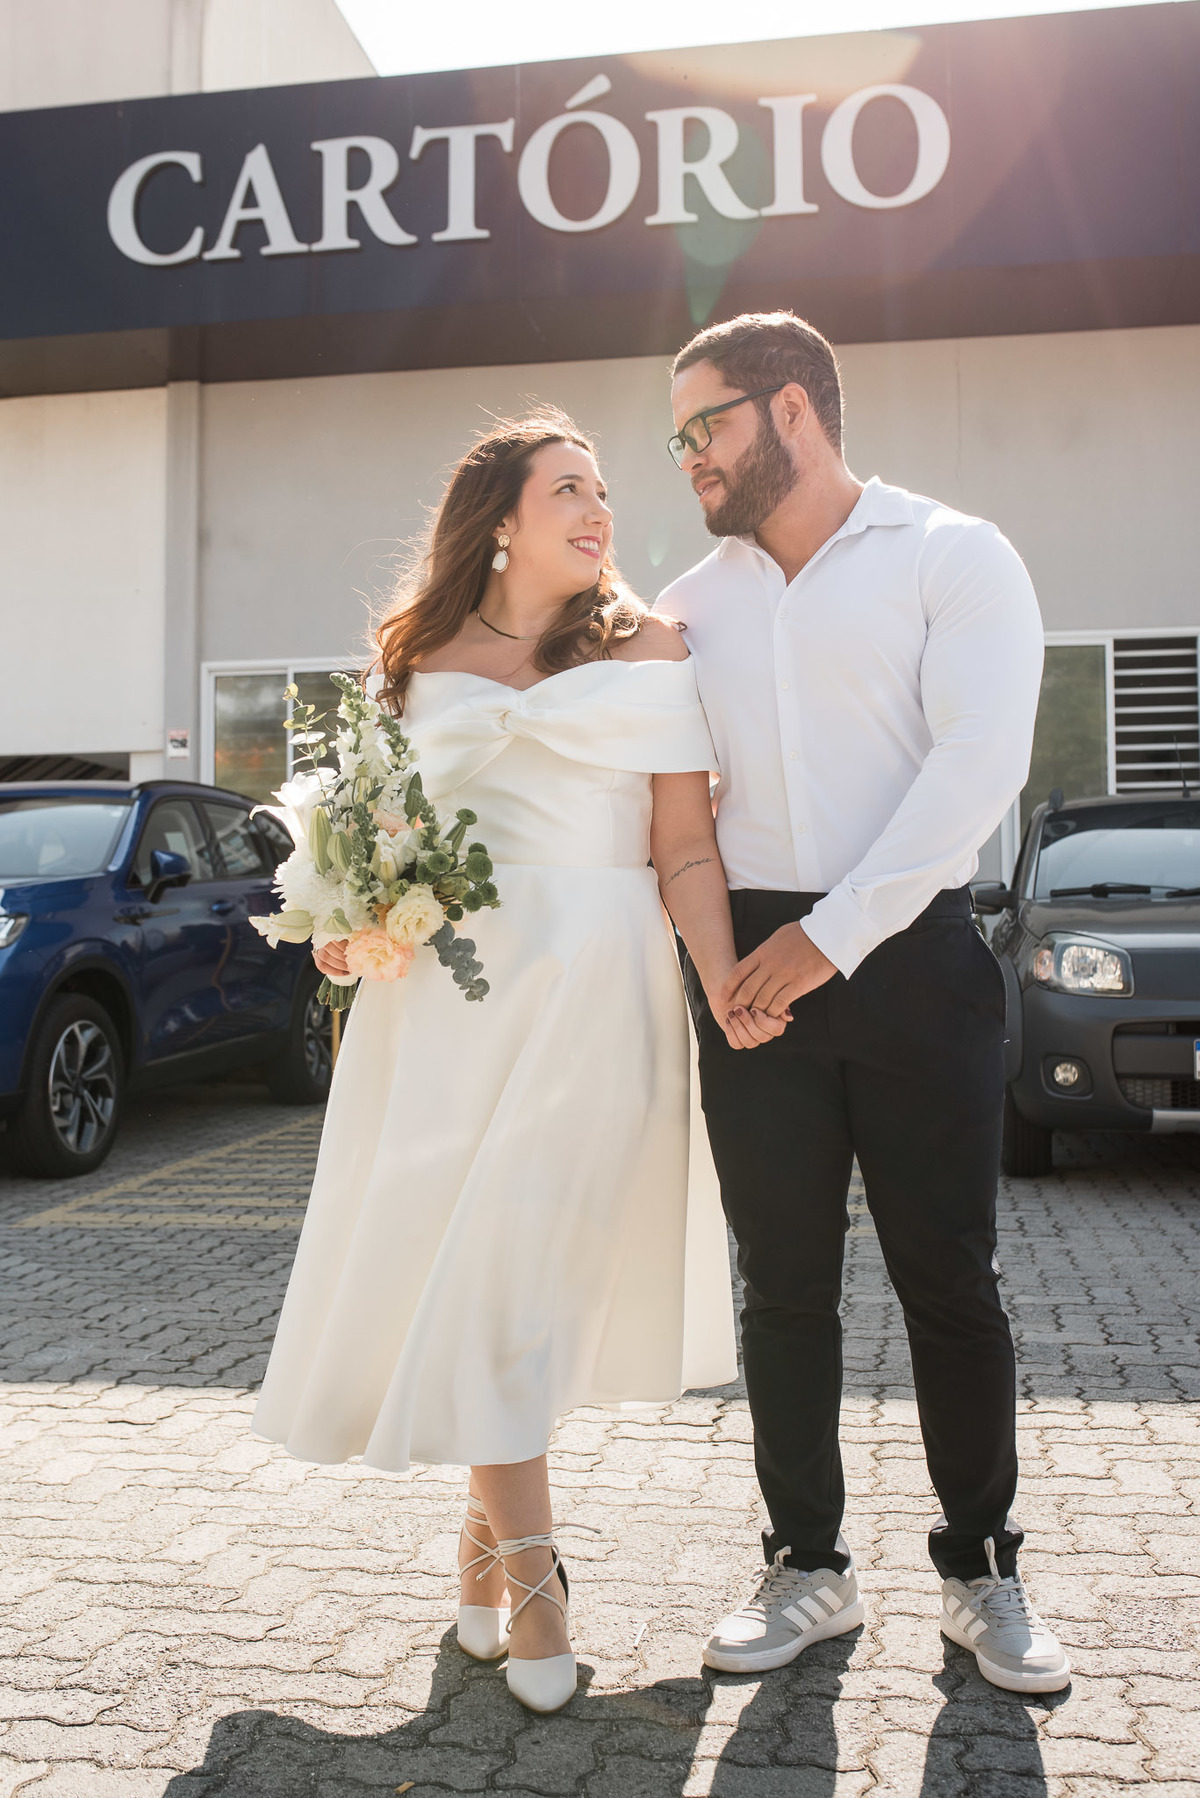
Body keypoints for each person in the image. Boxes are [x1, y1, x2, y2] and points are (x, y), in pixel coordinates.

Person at [252, 411, 784, 1716]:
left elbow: (685, 850)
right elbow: (377, 845)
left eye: (604, 490)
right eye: (569, 489)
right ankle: (531, 1566)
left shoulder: (653, 642)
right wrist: (343, 920)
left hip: (599, 989)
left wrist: (722, 982)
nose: (600, 510)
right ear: (500, 519)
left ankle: (487, 1544)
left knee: (529, 1271)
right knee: (474, 1264)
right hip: (442, 1003)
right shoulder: (418, 655)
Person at [657, 312, 1071, 1695]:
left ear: (791, 411)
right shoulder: (689, 605)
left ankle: (983, 1570)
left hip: (911, 954)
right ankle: (807, 1565)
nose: (688, 458)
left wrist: (827, 941)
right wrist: (722, 965)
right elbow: (668, 811)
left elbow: (974, 769)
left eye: (703, 425)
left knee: (949, 1278)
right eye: (677, 436)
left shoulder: (954, 555)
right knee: (779, 1285)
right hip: (750, 964)